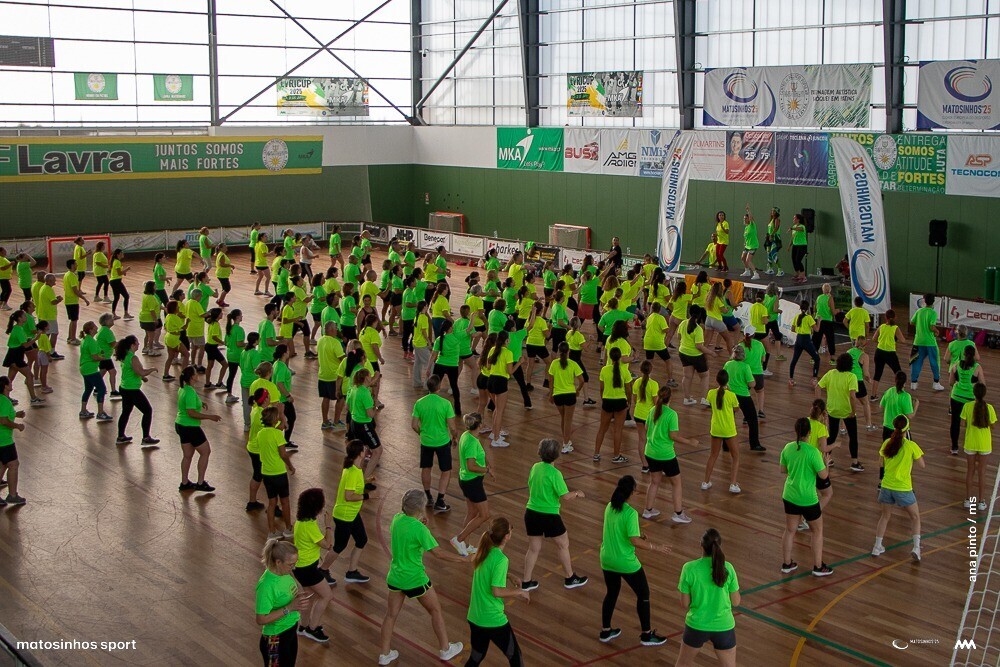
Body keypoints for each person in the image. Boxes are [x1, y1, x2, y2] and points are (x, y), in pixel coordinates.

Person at [378, 489, 465, 666]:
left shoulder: (397, 519)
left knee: (391, 615)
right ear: (420, 508)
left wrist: (420, 524)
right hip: (415, 578)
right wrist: (464, 559)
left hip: (395, 576)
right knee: (435, 610)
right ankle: (446, 649)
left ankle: (385, 654)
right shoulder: (419, 529)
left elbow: (408, 533)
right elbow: (438, 553)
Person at [599, 475, 671, 646]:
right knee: (643, 594)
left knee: (612, 593)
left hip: (607, 559)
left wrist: (639, 534)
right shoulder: (630, 513)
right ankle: (646, 635)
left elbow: (621, 531)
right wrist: (655, 547)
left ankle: (605, 631)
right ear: (631, 492)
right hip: (625, 562)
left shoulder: (610, 507)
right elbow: (634, 541)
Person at [521, 438, 588, 591]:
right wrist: (577, 493)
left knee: (533, 549)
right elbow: (565, 496)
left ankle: (526, 581)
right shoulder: (555, 473)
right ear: (556, 455)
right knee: (563, 545)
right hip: (549, 516)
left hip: (531, 513)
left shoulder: (535, 467)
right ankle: (570, 578)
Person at [464, 517, 528, 667]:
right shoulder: (501, 559)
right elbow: (497, 592)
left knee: (476, 657)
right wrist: (518, 592)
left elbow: (488, 573)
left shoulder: (483, 551)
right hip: (493, 619)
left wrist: (508, 575)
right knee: (515, 657)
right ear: (507, 537)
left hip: (475, 616)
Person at [675, 529, 740, 666]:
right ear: (720, 546)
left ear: (701, 545)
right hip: (724, 627)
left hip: (697, 625)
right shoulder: (728, 568)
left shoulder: (689, 568)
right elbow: (736, 601)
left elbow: (685, 604)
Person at [780, 417, 833, 576]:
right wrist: (826, 463)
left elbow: (783, 470)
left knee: (790, 530)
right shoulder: (813, 452)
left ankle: (787, 564)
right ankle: (818, 566)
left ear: (796, 431)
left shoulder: (788, 448)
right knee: (817, 531)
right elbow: (823, 476)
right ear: (809, 433)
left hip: (790, 495)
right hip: (808, 498)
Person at [873, 415, 925, 562]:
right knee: (915, 517)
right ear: (906, 429)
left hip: (886, 486)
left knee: (884, 517)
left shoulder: (886, 443)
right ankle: (916, 548)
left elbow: (880, 464)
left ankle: (877, 547)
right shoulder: (910, 446)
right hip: (903, 488)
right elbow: (922, 465)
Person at [643, 387, 698, 523]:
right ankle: (678, 513)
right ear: (670, 398)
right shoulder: (671, 414)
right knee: (676, 483)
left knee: (654, 482)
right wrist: (689, 442)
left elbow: (646, 428)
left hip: (650, 452)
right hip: (665, 454)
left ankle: (648, 510)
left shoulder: (652, 410)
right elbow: (673, 436)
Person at [290, 487, 335, 644]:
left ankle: (303, 626)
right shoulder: (309, 526)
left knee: (310, 596)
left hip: (300, 568)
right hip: (308, 569)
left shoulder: (301, 522)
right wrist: (328, 525)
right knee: (327, 596)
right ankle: (313, 628)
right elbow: (328, 544)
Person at [255, 538, 309, 667]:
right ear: (278, 562)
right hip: (275, 637)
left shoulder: (286, 571)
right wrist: (289, 607)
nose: (293, 567)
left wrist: (300, 594)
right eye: (291, 564)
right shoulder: (266, 586)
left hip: (290, 630)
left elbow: (293, 580)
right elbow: (261, 619)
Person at [412, 374, 458, 514]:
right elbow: (452, 427)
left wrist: (422, 433)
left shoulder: (420, 402)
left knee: (426, 468)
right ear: (439, 387)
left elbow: (414, 425)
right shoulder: (445, 404)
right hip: (442, 442)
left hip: (426, 442)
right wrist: (454, 438)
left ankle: (428, 497)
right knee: (446, 471)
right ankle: (440, 500)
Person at [452, 412, 493, 556]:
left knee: (472, 512)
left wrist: (487, 466)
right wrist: (486, 470)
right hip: (472, 482)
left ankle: (465, 544)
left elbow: (479, 456)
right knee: (484, 514)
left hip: (466, 480)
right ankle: (459, 539)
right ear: (480, 425)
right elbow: (471, 465)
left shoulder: (467, 435)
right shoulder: (472, 442)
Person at [175, 366, 221, 493]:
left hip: (180, 425)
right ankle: (200, 482)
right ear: (192, 377)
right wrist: (210, 417)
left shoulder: (183, 388)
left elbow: (188, 404)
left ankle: (184, 482)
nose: (198, 375)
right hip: (191, 427)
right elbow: (191, 412)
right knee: (205, 452)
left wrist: (201, 403)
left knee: (187, 455)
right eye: (196, 373)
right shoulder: (190, 391)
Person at [818, 353, 863, 472]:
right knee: (853, 436)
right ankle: (854, 462)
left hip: (832, 409)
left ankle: (826, 458)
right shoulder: (851, 377)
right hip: (846, 411)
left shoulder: (831, 373)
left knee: (832, 435)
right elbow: (853, 397)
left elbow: (818, 387)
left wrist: (819, 406)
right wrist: (853, 411)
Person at [702, 369, 742, 494]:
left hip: (716, 428)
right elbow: (736, 409)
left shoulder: (711, 393)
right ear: (727, 381)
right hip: (729, 429)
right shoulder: (731, 395)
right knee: (735, 457)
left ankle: (706, 482)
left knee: (713, 455)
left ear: (716, 380)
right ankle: (733, 484)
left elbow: (709, 404)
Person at [113, 336, 158, 446]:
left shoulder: (125, 355)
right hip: (132, 390)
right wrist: (152, 369)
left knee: (126, 412)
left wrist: (142, 378)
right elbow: (141, 371)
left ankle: (121, 436)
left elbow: (133, 371)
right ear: (132, 345)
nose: (139, 344)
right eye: (137, 343)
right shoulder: (133, 358)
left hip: (124, 387)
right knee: (147, 410)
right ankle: (146, 437)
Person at [594, 348, 632, 463]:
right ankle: (616, 456)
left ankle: (596, 454)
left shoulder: (604, 370)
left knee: (602, 429)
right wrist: (629, 402)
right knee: (618, 430)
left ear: (610, 357)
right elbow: (628, 389)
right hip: (620, 402)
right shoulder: (625, 371)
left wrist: (603, 399)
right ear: (620, 357)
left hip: (607, 401)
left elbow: (601, 388)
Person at [963, 384, 996, 512]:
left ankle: (968, 500)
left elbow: (964, 423)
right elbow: (992, 425)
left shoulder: (967, 406)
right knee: (982, 472)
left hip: (970, 442)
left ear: (974, 393)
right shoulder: (989, 408)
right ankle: (981, 501)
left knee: (970, 471)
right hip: (984, 443)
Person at [548, 342, 584, 453]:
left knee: (563, 418)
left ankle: (566, 440)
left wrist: (551, 394)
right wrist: (577, 390)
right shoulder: (573, 364)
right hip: (570, 395)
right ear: (569, 351)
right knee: (568, 420)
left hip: (558, 395)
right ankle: (566, 444)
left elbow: (550, 380)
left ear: (559, 352)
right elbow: (582, 380)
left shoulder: (554, 363)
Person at [4, 310, 43, 407]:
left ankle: (6, 398)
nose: (26, 317)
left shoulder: (18, 328)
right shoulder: (18, 329)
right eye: (24, 316)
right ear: (19, 318)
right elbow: (25, 345)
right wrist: (36, 338)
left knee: (10, 379)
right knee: (29, 376)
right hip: (16, 357)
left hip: (13, 355)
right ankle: (33, 398)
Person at [950, 346, 983, 456]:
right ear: (974, 355)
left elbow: (951, 382)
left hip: (955, 397)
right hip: (970, 399)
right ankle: (970, 446)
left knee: (955, 422)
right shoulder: (977, 367)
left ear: (964, 354)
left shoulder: (956, 365)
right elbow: (982, 384)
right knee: (970, 423)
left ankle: (954, 447)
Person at [679, 306, 713, 406]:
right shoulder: (698, 329)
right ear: (699, 315)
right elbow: (699, 346)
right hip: (696, 356)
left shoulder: (683, 323)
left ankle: (687, 398)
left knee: (687, 376)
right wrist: (711, 353)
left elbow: (678, 337)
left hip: (683, 353)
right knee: (705, 376)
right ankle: (703, 398)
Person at [909, 294, 945, 391]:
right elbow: (931, 327)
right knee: (934, 362)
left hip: (918, 341)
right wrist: (937, 331)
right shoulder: (933, 313)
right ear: (933, 302)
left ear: (924, 301)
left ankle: (913, 382)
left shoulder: (919, 311)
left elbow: (912, 322)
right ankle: (936, 382)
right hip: (930, 342)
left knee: (916, 361)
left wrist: (920, 325)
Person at [78, 321, 112, 421]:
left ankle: (83, 410)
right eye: (95, 327)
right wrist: (103, 358)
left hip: (84, 368)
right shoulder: (91, 341)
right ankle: (100, 413)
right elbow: (94, 356)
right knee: (101, 389)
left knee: (88, 389)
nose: (97, 328)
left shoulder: (85, 340)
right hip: (91, 369)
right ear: (91, 329)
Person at [0, 377, 26, 504]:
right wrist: (17, 426)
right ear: (5, 386)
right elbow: (3, 420)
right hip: (4, 440)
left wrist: (16, 414)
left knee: (3, 465)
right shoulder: (5, 401)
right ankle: (12, 495)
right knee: (13, 465)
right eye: (9, 382)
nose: (11, 384)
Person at [871, 309, 905, 400]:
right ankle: (900, 391)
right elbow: (903, 340)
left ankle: (873, 395)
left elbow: (873, 339)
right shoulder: (895, 328)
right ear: (895, 317)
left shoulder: (881, 326)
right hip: (890, 353)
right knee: (898, 372)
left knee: (877, 374)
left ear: (885, 317)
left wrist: (882, 340)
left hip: (879, 352)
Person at [787, 300, 819, 386]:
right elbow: (816, 329)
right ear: (808, 308)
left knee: (794, 360)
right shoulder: (809, 317)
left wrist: (799, 329)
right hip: (806, 340)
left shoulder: (797, 317)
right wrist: (819, 321)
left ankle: (791, 379)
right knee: (817, 358)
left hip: (798, 339)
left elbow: (792, 329)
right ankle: (814, 378)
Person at [63, 259, 89, 345]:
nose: (77, 265)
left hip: (68, 301)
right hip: (72, 301)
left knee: (72, 320)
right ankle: (73, 339)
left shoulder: (66, 275)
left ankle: (70, 337)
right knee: (74, 320)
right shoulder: (72, 276)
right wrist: (84, 298)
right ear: (72, 265)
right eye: (75, 264)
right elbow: (75, 290)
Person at [812, 283, 838, 363]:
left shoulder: (819, 297)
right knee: (830, 339)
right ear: (830, 290)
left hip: (818, 319)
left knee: (816, 339)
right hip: (827, 321)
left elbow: (815, 308)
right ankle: (832, 358)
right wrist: (838, 311)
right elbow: (833, 312)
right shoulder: (830, 298)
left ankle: (813, 358)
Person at [739, 205, 759, 280]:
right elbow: (746, 237)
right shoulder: (746, 228)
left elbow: (751, 218)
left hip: (753, 245)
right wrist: (745, 242)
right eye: (744, 218)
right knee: (743, 258)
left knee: (748, 260)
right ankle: (747, 271)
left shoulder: (752, 225)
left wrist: (748, 210)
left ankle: (756, 273)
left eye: (746, 218)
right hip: (747, 246)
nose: (744, 219)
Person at [787, 213, 808, 284]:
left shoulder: (802, 226)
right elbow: (793, 237)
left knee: (798, 260)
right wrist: (789, 246)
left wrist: (792, 228)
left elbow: (800, 229)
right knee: (793, 260)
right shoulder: (794, 227)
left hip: (802, 245)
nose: (793, 219)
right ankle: (798, 274)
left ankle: (803, 276)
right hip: (795, 245)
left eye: (794, 218)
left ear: (798, 219)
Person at [764, 206, 784, 277]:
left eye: (773, 211)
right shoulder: (771, 220)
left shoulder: (777, 219)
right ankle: (770, 268)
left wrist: (771, 235)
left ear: (776, 212)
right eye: (772, 210)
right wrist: (768, 235)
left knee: (773, 253)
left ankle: (780, 269)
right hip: (769, 238)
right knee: (768, 253)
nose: (772, 212)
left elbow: (776, 228)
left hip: (775, 238)